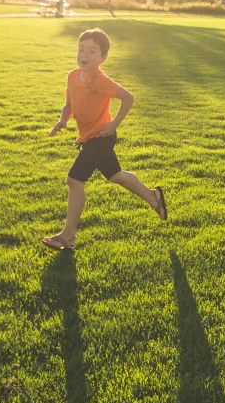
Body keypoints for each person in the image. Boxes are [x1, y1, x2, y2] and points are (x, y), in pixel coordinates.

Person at [43, 28, 166, 250]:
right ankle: (153, 196)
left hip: (101, 137)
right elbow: (69, 104)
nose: (85, 55)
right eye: (81, 50)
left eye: (92, 51)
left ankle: (68, 235)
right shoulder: (72, 76)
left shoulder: (100, 80)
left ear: (103, 58)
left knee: (74, 180)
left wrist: (114, 124)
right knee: (115, 175)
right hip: (87, 137)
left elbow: (128, 97)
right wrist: (62, 120)